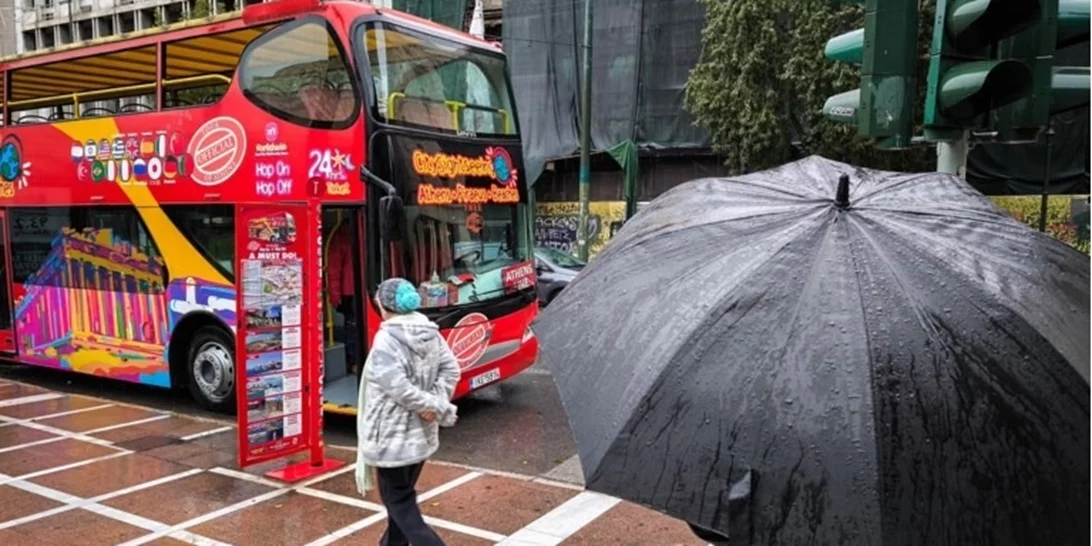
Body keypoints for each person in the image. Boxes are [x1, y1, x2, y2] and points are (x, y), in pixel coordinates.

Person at [356, 277, 461, 546]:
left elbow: (397, 387)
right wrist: (434, 403)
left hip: (390, 439)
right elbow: (451, 369)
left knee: (399, 501)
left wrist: (432, 406)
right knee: (401, 498)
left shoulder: (386, 340)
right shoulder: (430, 332)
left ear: (384, 306)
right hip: (421, 433)